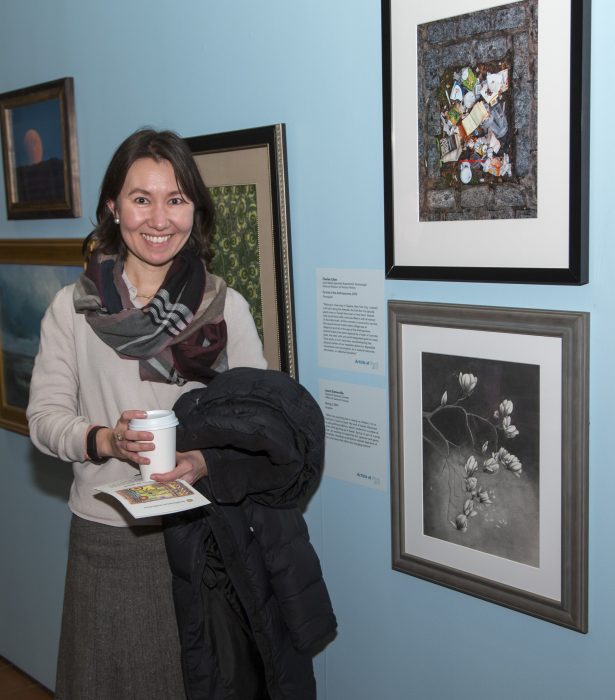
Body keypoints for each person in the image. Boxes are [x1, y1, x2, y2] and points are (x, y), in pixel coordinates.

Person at [26, 127, 267, 700]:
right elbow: (45, 418)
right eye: (142, 199)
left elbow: (261, 423)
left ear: (194, 210)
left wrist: (205, 461)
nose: (159, 219)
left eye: (176, 199)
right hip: (110, 543)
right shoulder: (73, 309)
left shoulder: (225, 306)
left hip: (203, 539)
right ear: (114, 207)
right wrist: (105, 440)